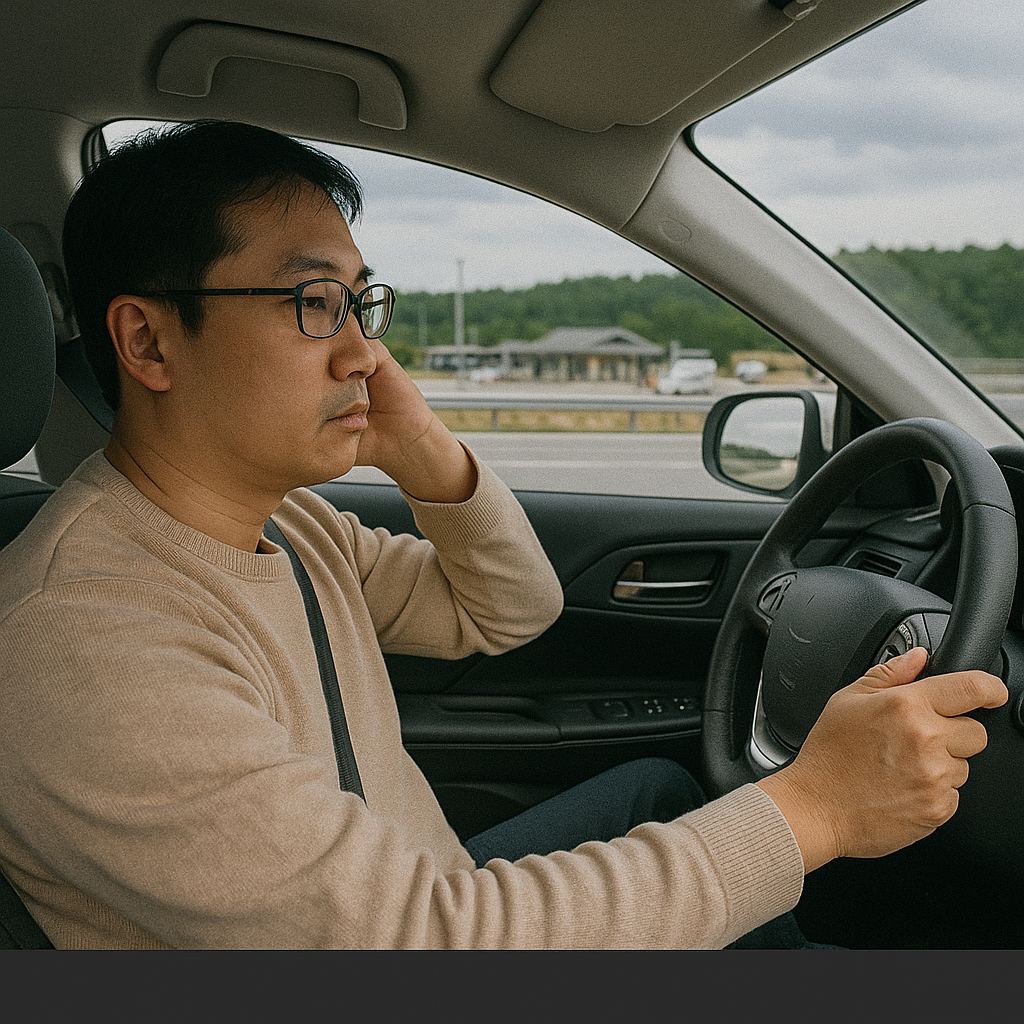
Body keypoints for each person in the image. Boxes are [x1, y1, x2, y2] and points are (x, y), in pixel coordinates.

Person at [0, 121, 1006, 949]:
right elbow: (425, 947)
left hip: (412, 897)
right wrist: (815, 813)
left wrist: (424, 447)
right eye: (313, 303)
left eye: (362, 302)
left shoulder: (288, 523)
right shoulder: (86, 640)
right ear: (146, 339)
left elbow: (508, 608)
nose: (364, 351)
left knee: (658, 791)